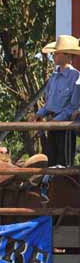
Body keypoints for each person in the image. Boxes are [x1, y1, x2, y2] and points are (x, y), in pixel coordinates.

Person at [33, 35, 80, 167]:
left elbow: (73, 106)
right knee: (51, 161)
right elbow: (49, 103)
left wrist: (57, 120)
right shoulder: (54, 76)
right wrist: (40, 113)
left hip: (64, 126)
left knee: (64, 163)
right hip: (52, 123)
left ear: (67, 55)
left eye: (56, 53)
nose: (53, 55)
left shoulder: (75, 77)